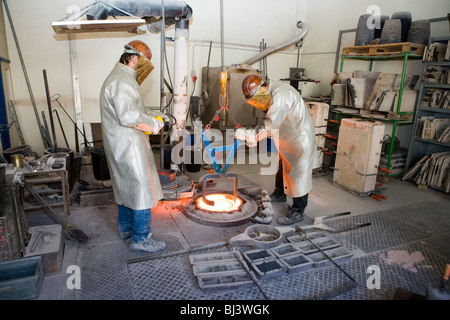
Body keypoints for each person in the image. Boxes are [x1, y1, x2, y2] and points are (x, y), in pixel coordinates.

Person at [100, 40, 166, 253]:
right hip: (129, 145)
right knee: (141, 190)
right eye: (143, 63)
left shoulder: (115, 77)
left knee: (125, 187)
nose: (143, 68)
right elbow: (128, 116)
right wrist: (155, 124)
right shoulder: (123, 81)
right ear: (135, 58)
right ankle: (141, 238)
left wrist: (148, 118)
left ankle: (126, 229)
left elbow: (127, 110)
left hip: (120, 144)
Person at [236, 74, 316, 225]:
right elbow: (264, 118)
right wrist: (253, 136)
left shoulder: (280, 96)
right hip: (286, 137)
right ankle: (280, 193)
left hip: (299, 136)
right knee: (282, 166)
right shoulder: (269, 93)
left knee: (299, 172)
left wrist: (251, 135)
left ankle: (298, 210)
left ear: (263, 88)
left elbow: (270, 125)